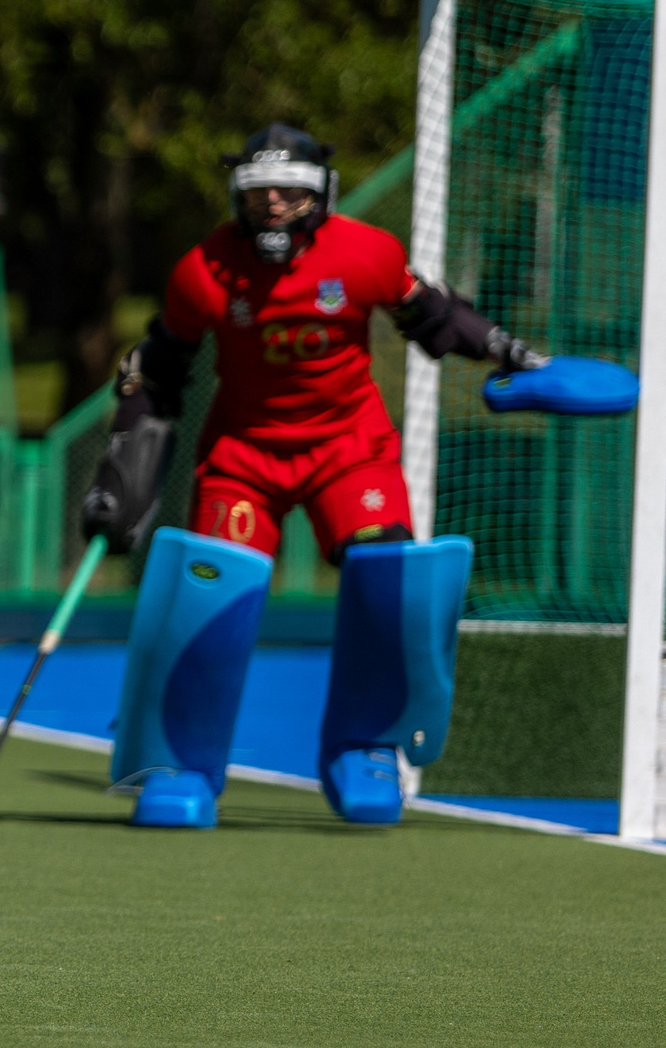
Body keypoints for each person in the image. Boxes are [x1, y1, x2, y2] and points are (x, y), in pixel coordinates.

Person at [81, 122, 540, 827]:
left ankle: (363, 748)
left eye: (290, 193)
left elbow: (436, 320)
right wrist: (119, 467)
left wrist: (506, 349)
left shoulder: (366, 254)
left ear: (320, 194)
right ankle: (181, 761)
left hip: (348, 448)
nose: (273, 204)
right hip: (243, 456)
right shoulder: (203, 269)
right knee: (210, 590)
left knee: (388, 577)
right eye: (259, 190)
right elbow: (159, 367)